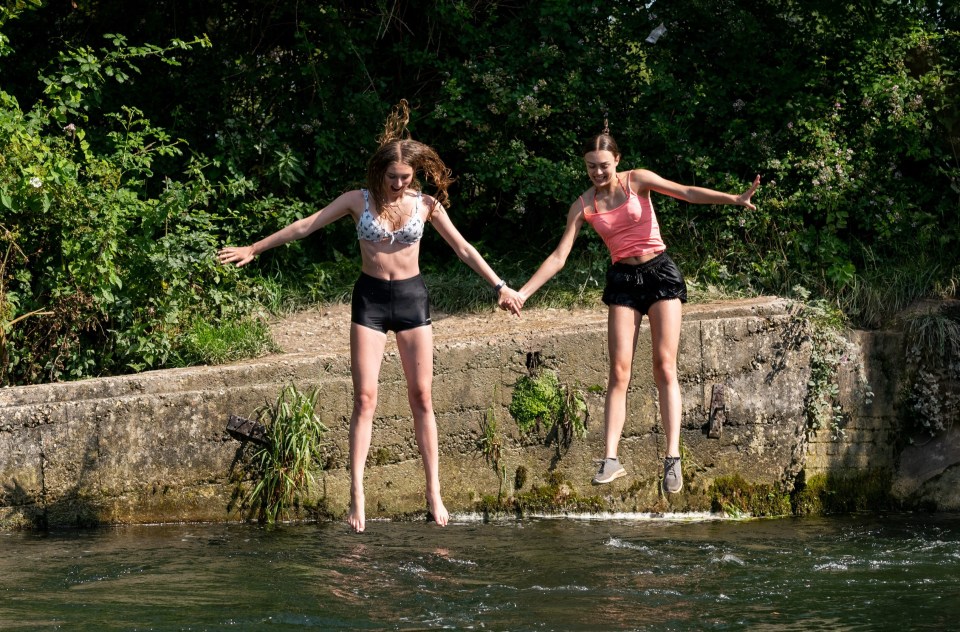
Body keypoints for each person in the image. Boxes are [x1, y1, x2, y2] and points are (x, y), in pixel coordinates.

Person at [219, 100, 522, 532]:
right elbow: (305, 225)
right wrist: (254, 248)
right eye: (393, 177)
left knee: (422, 398)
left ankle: (433, 489)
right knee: (365, 399)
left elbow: (463, 248)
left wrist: (499, 286)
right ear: (379, 172)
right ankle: (357, 495)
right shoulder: (355, 201)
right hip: (371, 302)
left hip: (413, 299)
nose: (399, 185)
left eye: (406, 178)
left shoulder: (426, 205)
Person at [499, 127, 759, 493]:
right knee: (619, 371)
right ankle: (611, 459)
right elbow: (559, 257)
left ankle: (672, 458)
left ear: (616, 160)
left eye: (604, 165)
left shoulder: (637, 181)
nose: (598, 173)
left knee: (664, 365)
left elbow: (685, 192)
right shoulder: (584, 205)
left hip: (660, 273)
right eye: (591, 167)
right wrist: (523, 293)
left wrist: (733, 198)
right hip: (623, 280)